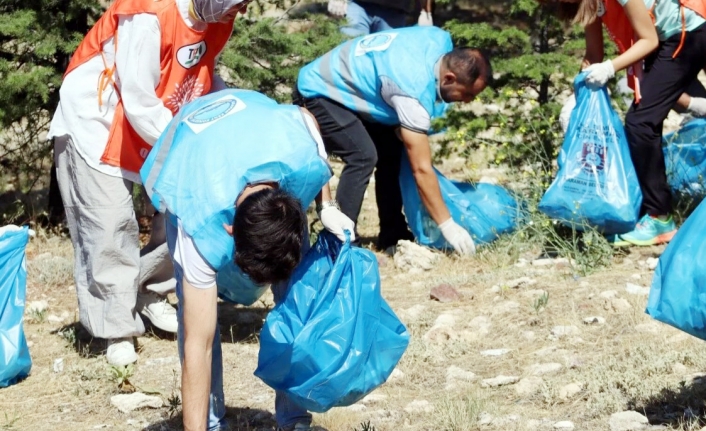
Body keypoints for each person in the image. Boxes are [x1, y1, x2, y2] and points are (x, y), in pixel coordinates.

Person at [48, 0, 248, 367]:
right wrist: (188, 147)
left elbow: (203, 73)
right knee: (109, 224)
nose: (244, 9)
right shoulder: (149, 13)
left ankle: (148, 291)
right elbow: (138, 99)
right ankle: (116, 328)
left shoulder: (219, 14)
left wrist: (229, 113)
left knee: (176, 211)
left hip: (158, 122)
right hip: (100, 120)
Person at [140, 89, 353, 431]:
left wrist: (327, 206)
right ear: (228, 230)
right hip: (190, 143)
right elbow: (200, 343)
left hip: (255, 120)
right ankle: (207, 420)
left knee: (297, 294)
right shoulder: (197, 216)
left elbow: (307, 120)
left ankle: (294, 418)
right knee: (198, 320)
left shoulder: (298, 155)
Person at [293, 26, 492, 255]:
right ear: (449, 78)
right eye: (466, 94)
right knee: (363, 156)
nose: (466, 101)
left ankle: (393, 234)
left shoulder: (441, 40)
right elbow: (421, 169)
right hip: (321, 90)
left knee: (392, 153)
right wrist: (448, 225)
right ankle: (341, 242)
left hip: (352, 84)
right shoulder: (413, 90)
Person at [549, 0, 706, 246]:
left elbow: (648, 41)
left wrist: (610, 68)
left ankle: (660, 219)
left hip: (688, 30)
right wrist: (578, 94)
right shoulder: (588, 4)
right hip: (665, 38)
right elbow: (593, 55)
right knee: (651, 106)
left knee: (640, 121)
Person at [327, 0, 434, 37]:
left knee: (386, 67)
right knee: (349, 58)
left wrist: (425, 11)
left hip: (395, 13)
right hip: (358, 6)